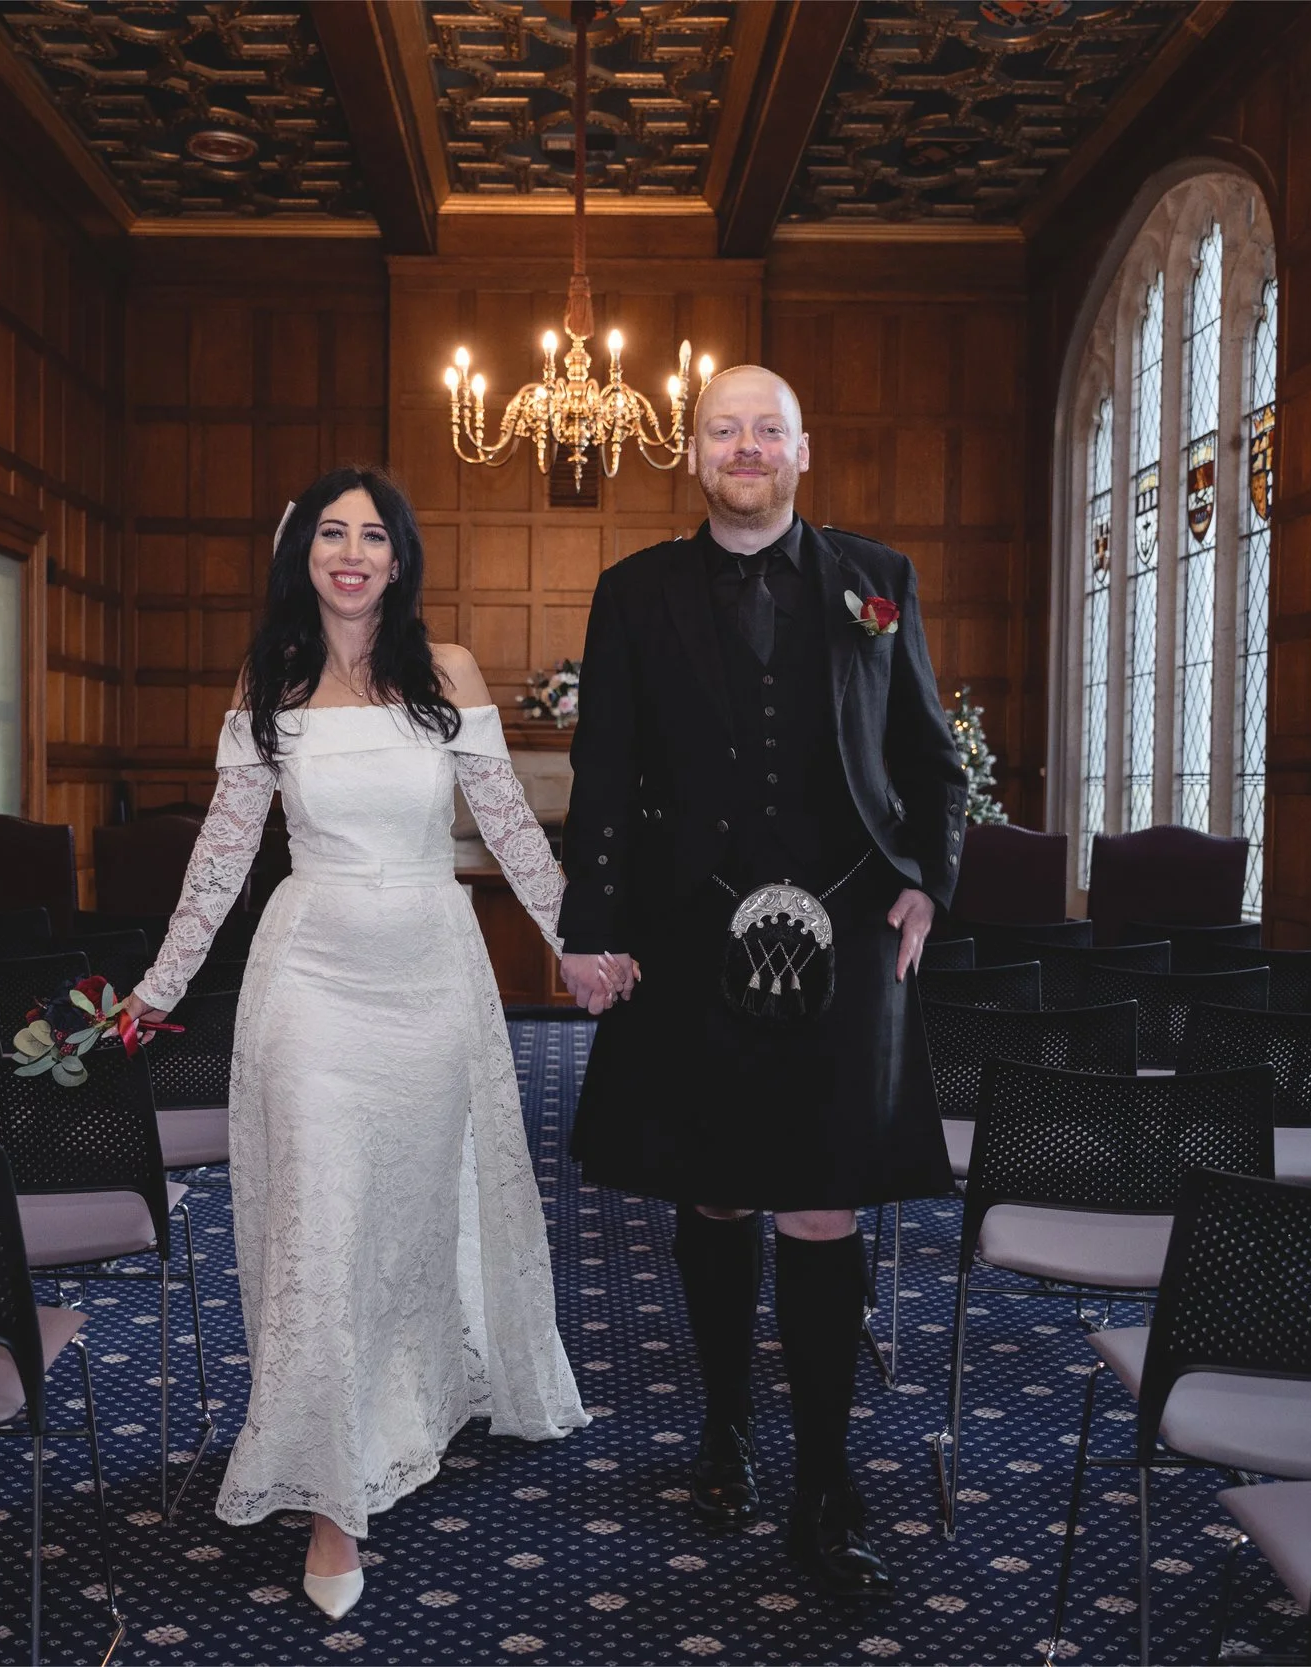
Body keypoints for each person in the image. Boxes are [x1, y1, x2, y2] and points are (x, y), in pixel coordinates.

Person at [126, 466, 592, 1622]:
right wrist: (154, 987)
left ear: (398, 556)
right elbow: (224, 856)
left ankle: (406, 1398)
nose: (351, 551)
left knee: (405, 1215)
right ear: (303, 556)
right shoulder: (267, 683)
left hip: (431, 976)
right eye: (331, 533)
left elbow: (510, 830)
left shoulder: (450, 676)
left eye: (371, 534)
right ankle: (334, 1494)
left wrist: (580, 941)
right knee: (322, 1217)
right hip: (311, 982)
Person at [556, 365, 968, 1598]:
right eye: (723, 429)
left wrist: (927, 883)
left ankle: (826, 1474)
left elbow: (933, 763)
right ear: (692, 452)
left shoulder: (875, 580)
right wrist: (587, 930)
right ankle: (726, 1422)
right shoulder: (633, 593)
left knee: (824, 1203)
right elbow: (606, 773)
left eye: (766, 429)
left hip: (848, 934)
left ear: (802, 449)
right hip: (688, 938)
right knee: (717, 1196)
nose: (745, 446)